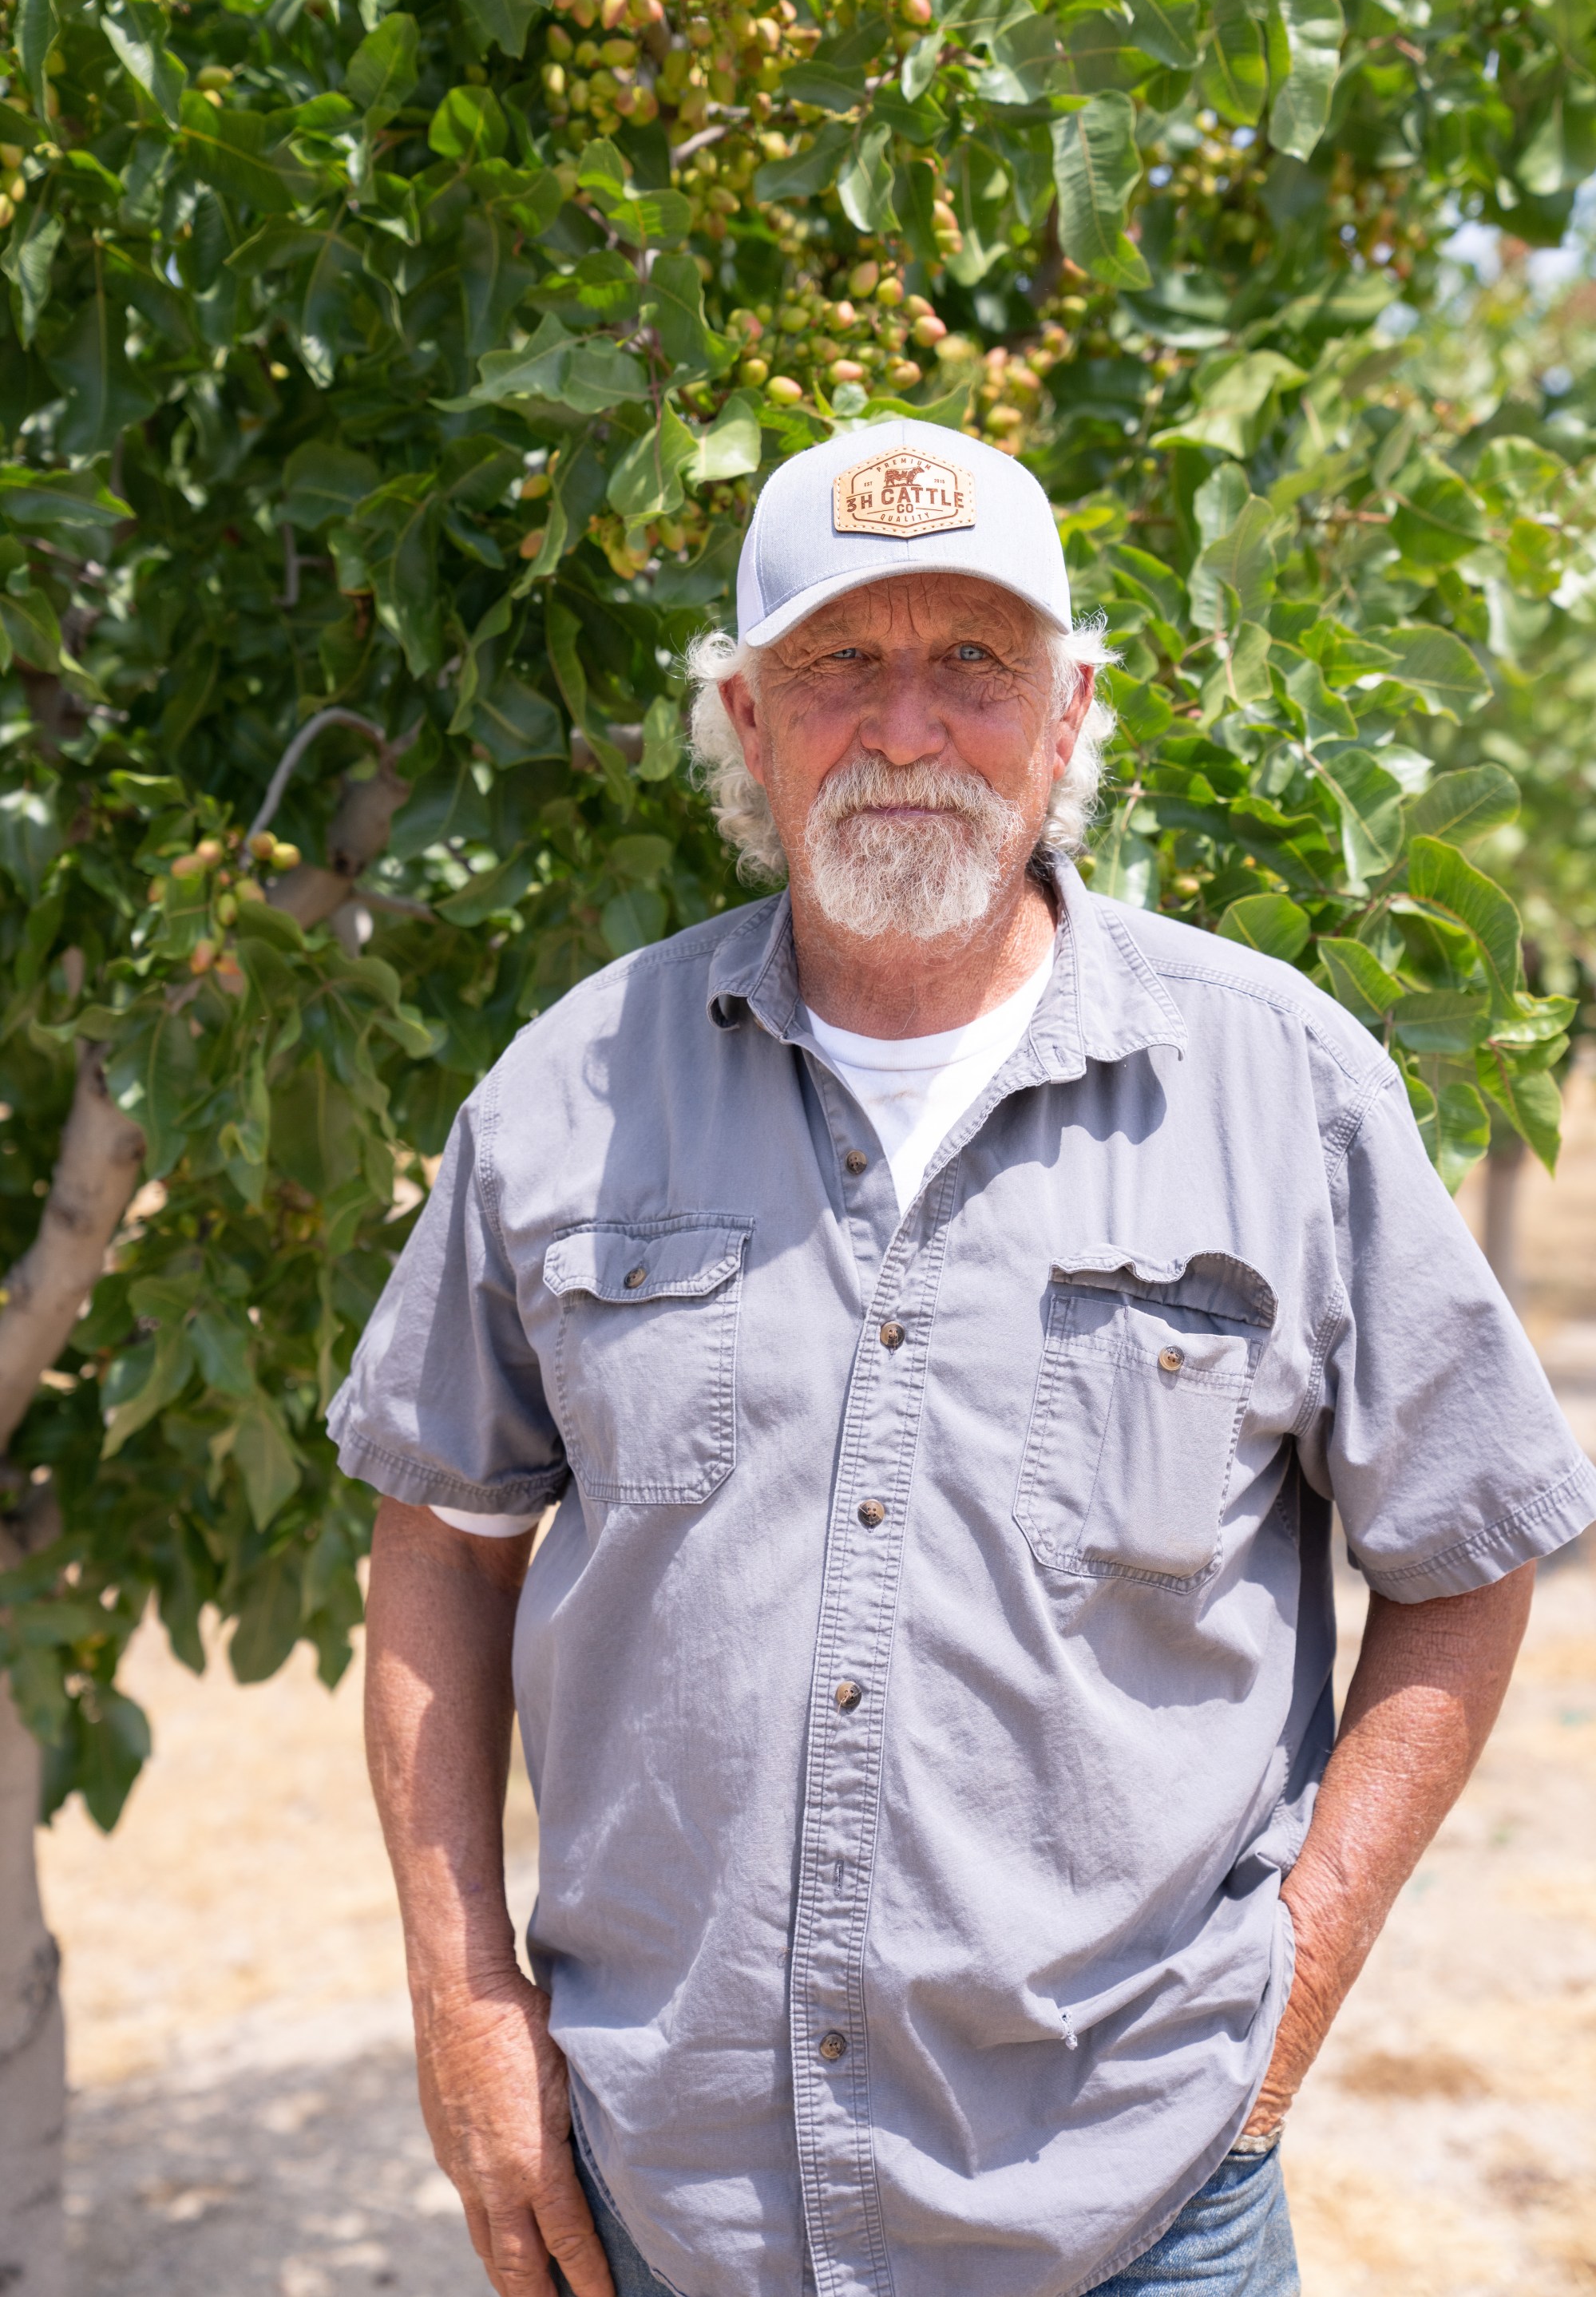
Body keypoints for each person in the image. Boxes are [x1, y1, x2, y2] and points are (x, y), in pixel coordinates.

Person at [331, 418, 1595, 2297]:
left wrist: (1295, 1985)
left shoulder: (1280, 1083)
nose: (908, 730)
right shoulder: (568, 1097)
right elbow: (439, 1545)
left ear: (1069, 714)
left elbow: (1466, 1557)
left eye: (974, 666)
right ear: (747, 724)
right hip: (669, 2210)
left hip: (1142, 2204)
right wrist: (462, 2003)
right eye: (842, 664)